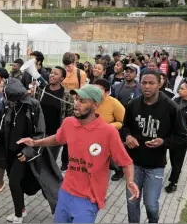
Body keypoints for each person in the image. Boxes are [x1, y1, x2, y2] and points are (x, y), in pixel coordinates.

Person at [17, 84, 139, 223]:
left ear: (95, 105)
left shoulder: (108, 132)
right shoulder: (69, 123)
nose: (76, 104)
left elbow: (126, 162)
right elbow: (58, 139)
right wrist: (35, 143)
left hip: (89, 198)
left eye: (82, 101)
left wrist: (130, 181)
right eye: (76, 99)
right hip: (65, 192)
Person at [0, 78, 63, 223]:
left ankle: (19, 214)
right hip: (10, 152)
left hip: (26, 153)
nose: (2, 90)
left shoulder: (33, 105)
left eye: (5, 88)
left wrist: (28, 152)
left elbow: (40, 132)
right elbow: (0, 128)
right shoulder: (8, 105)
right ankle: (21, 209)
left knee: (18, 182)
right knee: (16, 182)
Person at [120, 69, 187, 223]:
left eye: (151, 83)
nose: (147, 86)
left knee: (151, 205)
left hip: (155, 165)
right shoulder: (132, 104)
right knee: (132, 201)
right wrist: (128, 136)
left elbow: (183, 136)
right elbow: (125, 127)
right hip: (133, 163)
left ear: (160, 84)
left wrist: (163, 142)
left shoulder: (171, 107)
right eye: (144, 83)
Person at [35, 66, 74, 160]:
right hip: (39, 133)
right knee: (37, 160)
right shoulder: (41, 90)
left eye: (56, 74)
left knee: (50, 161)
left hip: (55, 136)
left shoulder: (66, 95)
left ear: (62, 78)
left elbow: (70, 116)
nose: (52, 75)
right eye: (51, 72)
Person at [93, 79, 126, 181]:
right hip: (92, 137)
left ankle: (118, 170)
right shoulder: (89, 100)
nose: (95, 93)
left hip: (108, 138)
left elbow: (122, 122)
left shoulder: (114, 103)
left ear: (107, 92)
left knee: (112, 160)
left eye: (99, 90)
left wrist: (109, 127)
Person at [61, 52, 87, 171]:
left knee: (72, 134)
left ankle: (69, 160)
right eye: (65, 66)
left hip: (74, 106)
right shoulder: (63, 72)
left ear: (74, 62)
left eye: (69, 66)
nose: (67, 68)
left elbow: (83, 91)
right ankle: (63, 160)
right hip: (62, 106)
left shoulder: (80, 73)